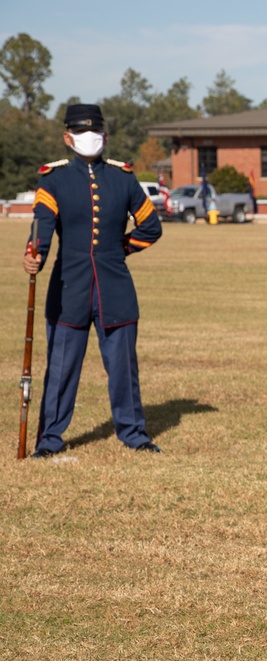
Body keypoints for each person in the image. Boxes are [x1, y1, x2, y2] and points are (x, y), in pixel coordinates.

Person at [24, 104, 164, 457]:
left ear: (105, 135)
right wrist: (35, 254)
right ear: (66, 137)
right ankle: (49, 440)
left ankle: (134, 434)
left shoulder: (123, 178)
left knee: (123, 369)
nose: (90, 138)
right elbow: (41, 225)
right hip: (69, 289)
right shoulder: (53, 180)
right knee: (60, 369)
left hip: (115, 288)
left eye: (96, 132)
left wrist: (121, 249)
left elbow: (150, 227)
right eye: (82, 132)